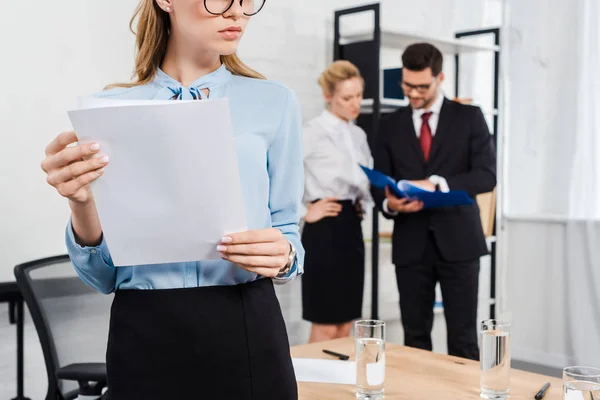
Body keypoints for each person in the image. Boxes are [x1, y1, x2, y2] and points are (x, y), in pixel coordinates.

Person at [40, 1, 304, 398]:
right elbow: (103, 276)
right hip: (145, 333)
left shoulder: (276, 102)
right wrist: (80, 203)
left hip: (247, 324)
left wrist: (283, 254)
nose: (238, 13)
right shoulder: (108, 112)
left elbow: (289, 235)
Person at [372, 43, 496, 361]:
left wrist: (438, 184)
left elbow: (486, 176)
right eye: (407, 85)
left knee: (464, 339)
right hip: (411, 245)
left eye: (421, 86)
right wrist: (390, 205)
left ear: (440, 78)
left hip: (461, 244)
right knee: (414, 338)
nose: (413, 93)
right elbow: (378, 185)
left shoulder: (469, 117)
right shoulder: (389, 125)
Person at [301, 60, 373, 343]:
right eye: (347, 97)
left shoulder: (358, 134)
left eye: (358, 95)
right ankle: (309, 387)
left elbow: (363, 181)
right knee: (326, 321)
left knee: (346, 323)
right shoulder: (312, 131)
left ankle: (335, 385)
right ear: (328, 96)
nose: (355, 103)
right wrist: (305, 211)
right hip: (325, 229)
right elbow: (276, 173)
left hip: (351, 227)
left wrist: (364, 203)